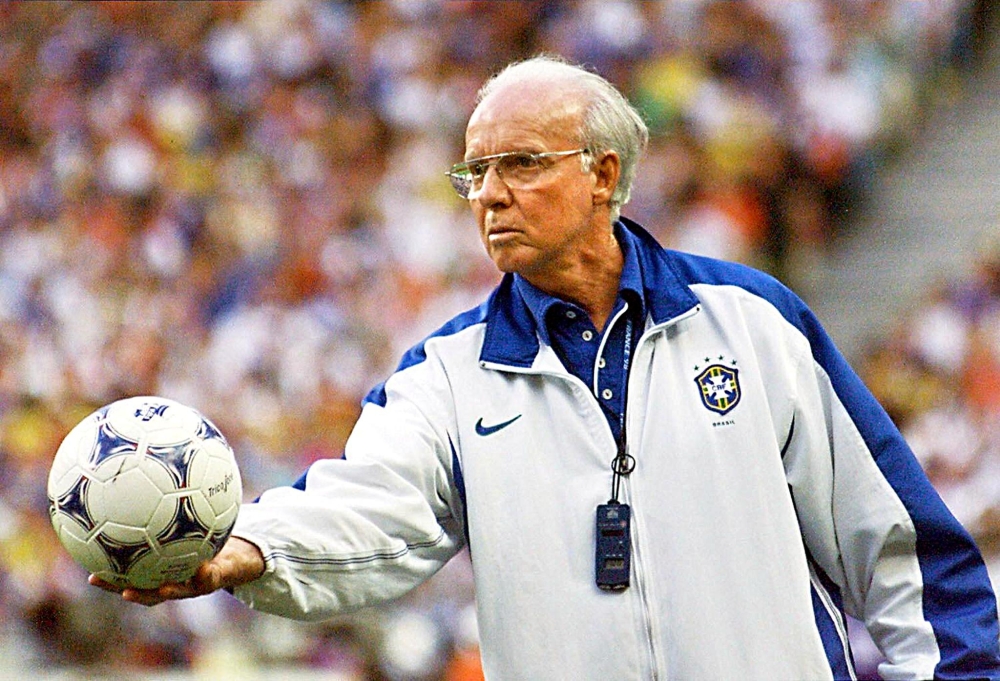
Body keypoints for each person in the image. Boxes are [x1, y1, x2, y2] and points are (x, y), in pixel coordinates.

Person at [93, 55, 1000, 680]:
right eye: (475, 172)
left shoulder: (756, 323)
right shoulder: (444, 375)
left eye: (520, 163)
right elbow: (371, 502)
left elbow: (903, 550)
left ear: (604, 175)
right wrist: (251, 548)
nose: (488, 193)